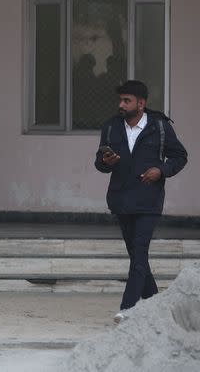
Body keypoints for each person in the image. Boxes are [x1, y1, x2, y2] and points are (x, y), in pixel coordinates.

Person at [94, 80, 187, 324]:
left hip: (148, 200)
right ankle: (157, 305)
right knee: (138, 257)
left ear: (141, 103)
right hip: (121, 200)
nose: (121, 105)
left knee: (139, 253)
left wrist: (161, 170)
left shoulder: (160, 126)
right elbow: (99, 163)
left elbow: (180, 156)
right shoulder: (111, 127)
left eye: (127, 101)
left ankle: (128, 308)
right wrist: (106, 162)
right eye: (120, 100)